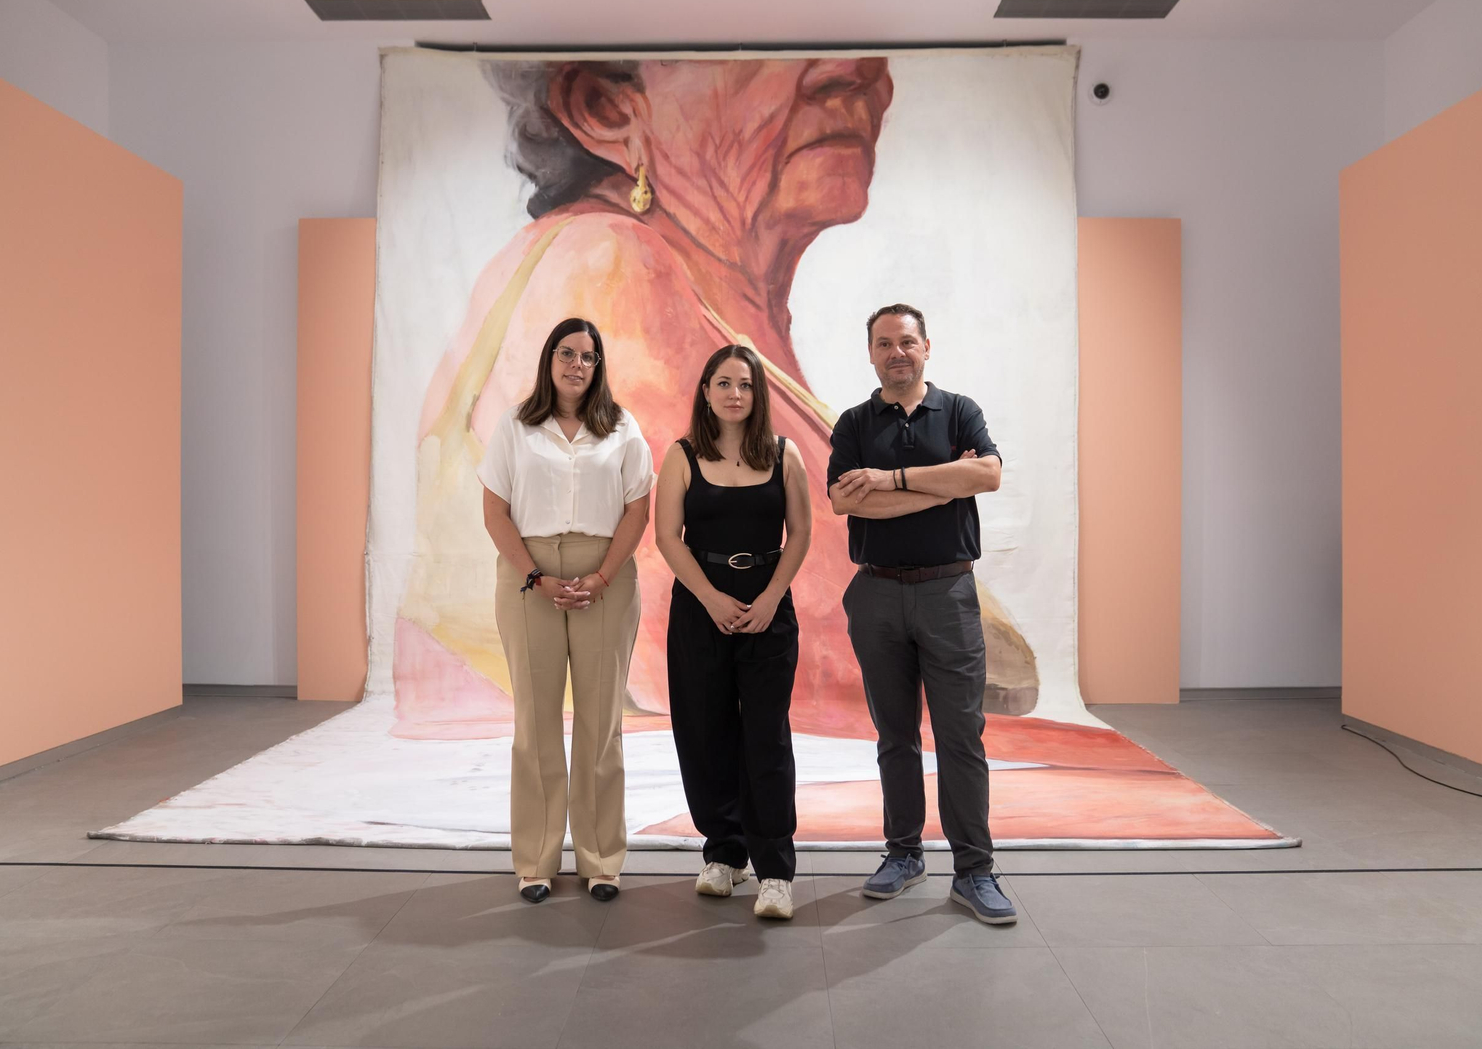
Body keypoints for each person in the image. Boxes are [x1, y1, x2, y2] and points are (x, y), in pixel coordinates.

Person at [394, 56, 1035, 743]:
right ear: (607, 112)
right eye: (767, 54)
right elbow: (842, 661)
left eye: (866, 56)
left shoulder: (714, 311)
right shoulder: (605, 262)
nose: (856, 73)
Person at [826, 304, 1017, 925]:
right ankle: (903, 854)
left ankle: (974, 871)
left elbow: (987, 475)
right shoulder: (854, 423)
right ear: (872, 354)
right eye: (884, 344)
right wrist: (943, 483)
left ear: (926, 347)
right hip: (876, 594)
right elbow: (842, 502)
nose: (896, 353)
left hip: (948, 595)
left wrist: (891, 480)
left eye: (906, 342)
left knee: (961, 735)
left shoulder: (959, 411)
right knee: (895, 735)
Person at [477, 318, 654, 903]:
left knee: (601, 723)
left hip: (606, 574)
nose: (577, 364)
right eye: (566, 353)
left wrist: (601, 576)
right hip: (529, 576)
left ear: (599, 366)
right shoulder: (514, 427)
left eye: (588, 355)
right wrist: (537, 576)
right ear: (549, 360)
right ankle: (536, 860)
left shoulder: (623, 428)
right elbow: (496, 511)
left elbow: (637, 509)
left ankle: (602, 859)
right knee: (536, 721)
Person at [654, 345, 811, 920]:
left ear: (758, 393)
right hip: (701, 603)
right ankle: (724, 853)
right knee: (704, 729)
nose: (734, 394)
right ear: (706, 390)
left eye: (745, 384)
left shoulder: (783, 453)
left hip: (769, 605)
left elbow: (799, 534)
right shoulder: (682, 455)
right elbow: (668, 536)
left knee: (766, 735)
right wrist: (711, 597)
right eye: (724, 383)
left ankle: (774, 870)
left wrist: (769, 598)